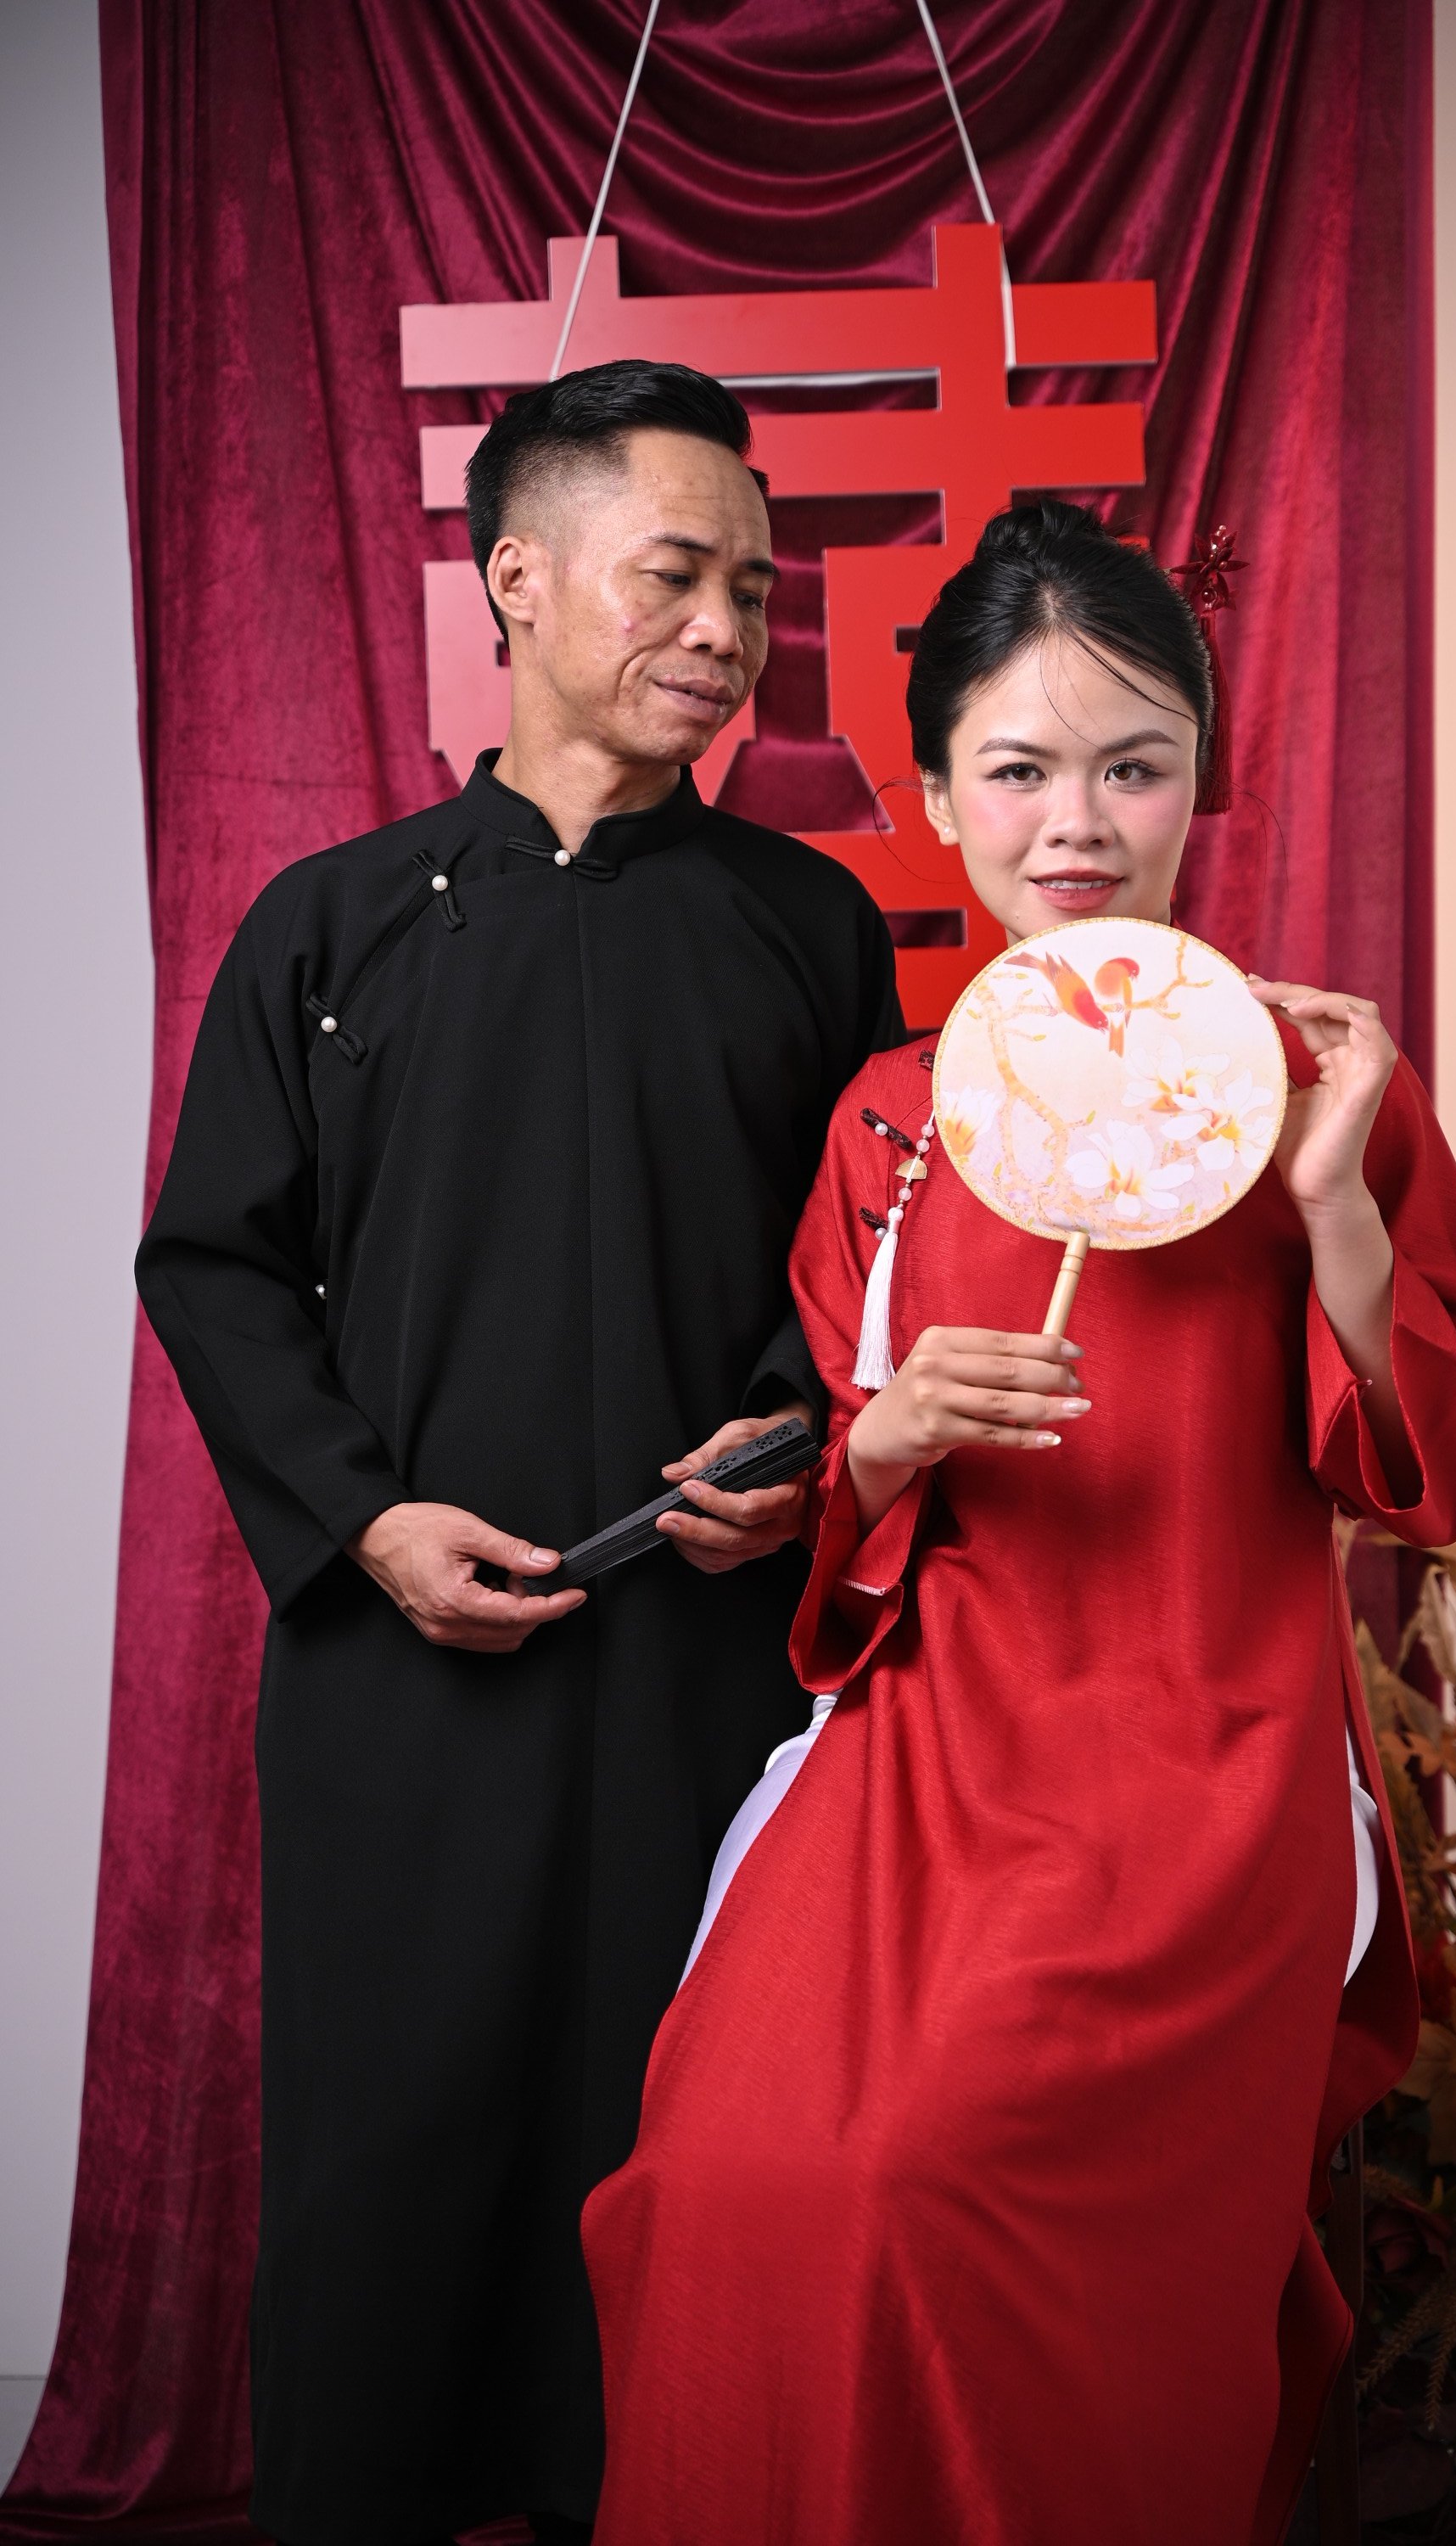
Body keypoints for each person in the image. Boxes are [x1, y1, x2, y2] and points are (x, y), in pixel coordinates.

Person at [582, 500, 1456, 2546]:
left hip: (1210, 1766)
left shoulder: (1320, 1089)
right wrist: (891, 1440)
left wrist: (1335, 1206)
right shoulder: (894, 1118)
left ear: (1202, 778)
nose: (1077, 824)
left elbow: (1440, 1475)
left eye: (1134, 767)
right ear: (937, 797)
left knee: (928, 2193)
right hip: (928, 1751)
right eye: (1016, 770)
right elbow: (838, 1527)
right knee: (724, 2181)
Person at [135, 358, 900, 2546]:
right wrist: (365, 1520)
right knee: (384, 2162)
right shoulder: (330, 921)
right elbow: (212, 1264)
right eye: (678, 577)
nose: (728, 632)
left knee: (682, 2147)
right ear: (518, 581)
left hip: (706, 1665)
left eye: (753, 591)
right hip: (402, 1665)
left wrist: (790, 1443)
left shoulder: (809, 926)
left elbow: (870, 1256)